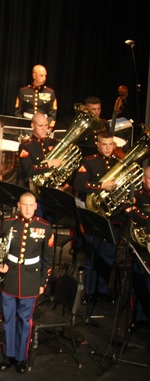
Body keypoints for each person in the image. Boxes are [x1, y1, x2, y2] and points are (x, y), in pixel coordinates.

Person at [0, 192, 54, 374]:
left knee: (25, 321)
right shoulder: (8, 223)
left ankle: (21, 357)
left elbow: (47, 259)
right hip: (9, 277)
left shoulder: (44, 227)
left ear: (36, 206)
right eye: (24, 205)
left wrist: (43, 282)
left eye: (31, 205)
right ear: (19, 205)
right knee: (8, 319)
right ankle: (8, 355)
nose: (27, 209)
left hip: (31, 279)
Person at [74, 130, 121, 303]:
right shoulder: (89, 161)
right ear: (98, 145)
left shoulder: (119, 163)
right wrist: (101, 186)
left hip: (112, 217)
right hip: (94, 217)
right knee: (92, 255)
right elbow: (79, 183)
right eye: (104, 145)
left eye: (110, 145)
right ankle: (88, 291)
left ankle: (102, 291)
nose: (108, 148)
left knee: (108, 256)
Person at [127, 167, 150, 333]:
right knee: (139, 285)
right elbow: (132, 212)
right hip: (142, 249)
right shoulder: (137, 195)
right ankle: (138, 318)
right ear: (144, 180)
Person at [18, 112, 64, 191]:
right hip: (33, 189)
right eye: (40, 126)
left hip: (55, 188)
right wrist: (49, 164)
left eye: (46, 125)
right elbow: (28, 170)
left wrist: (64, 185)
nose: (44, 129)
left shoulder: (53, 142)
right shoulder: (26, 146)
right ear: (33, 126)